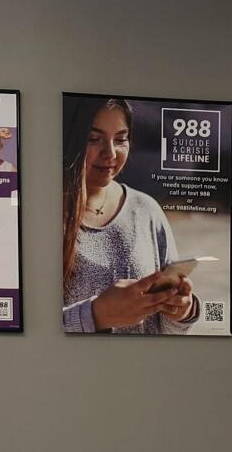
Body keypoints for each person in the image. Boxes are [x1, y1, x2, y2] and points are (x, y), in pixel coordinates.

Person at [62, 95, 199, 335]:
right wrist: (96, 315)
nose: (111, 153)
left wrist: (180, 312)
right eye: (93, 139)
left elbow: (166, 332)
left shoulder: (146, 210)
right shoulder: (37, 214)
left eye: (121, 139)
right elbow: (17, 325)